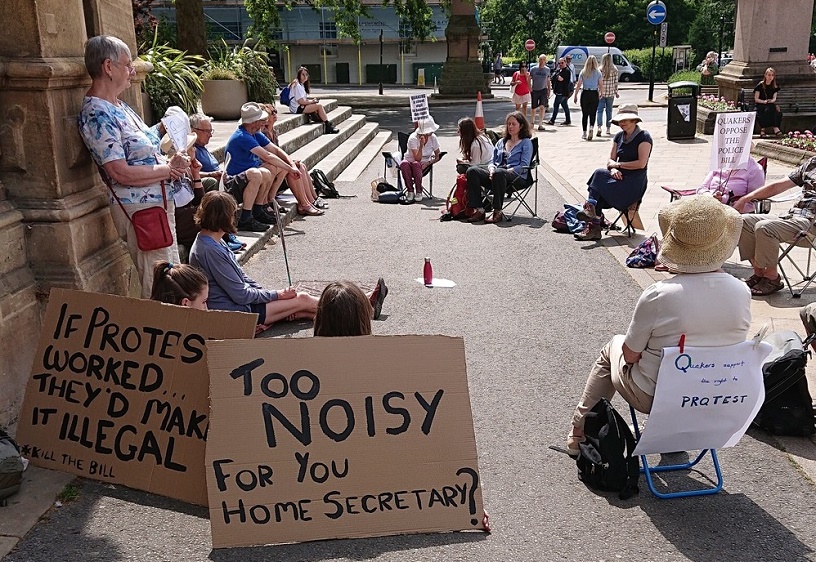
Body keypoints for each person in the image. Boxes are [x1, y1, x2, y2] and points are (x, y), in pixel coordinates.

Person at [566, 195, 751, 456]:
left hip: (656, 395)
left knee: (613, 349)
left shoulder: (660, 294)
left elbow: (630, 355)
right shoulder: (741, 291)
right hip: (715, 395)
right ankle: (672, 433)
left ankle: (580, 430)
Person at [78, 35, 189, 299]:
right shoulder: (97, 113)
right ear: (108, 67)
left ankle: (176, 331)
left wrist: (164, 127)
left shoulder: (118, 105)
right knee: (160, 283)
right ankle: (166, 334)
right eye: (127, 64)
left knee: (170, 275)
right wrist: (169, 169)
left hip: (155, 205)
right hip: (141, 210)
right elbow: (119, 171)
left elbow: (140, 145)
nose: (132, 71)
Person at [189, 191, 319, 326]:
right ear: (225, 217)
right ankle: (341, 307)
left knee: (304, 311)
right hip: (235, 310)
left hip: (240, 304)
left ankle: (335, 317)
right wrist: (277, 295)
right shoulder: (210, 250)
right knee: (303, 299)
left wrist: (266, 295)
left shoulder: (212, 240)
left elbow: (241, 276)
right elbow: (241, 295)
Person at [733, 155, 816, 296]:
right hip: (793, 217)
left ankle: (772, 278)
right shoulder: (813, 163)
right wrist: (745, 199)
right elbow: (778, 186)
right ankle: (759, 274)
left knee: (765, 227)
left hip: (811, 224)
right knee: (743, 221)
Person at [575, 104, 653, 241]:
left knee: (599, 175)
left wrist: (618, 164)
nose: (621, 124)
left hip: (633, 184)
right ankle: (593, 223)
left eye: (625, 120)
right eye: (620, 121)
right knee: (598, 186)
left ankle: (591, 214)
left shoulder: (644, 137)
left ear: (634, 121)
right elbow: (610, 160)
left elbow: (641, 164)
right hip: (617, 179)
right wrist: (614, 168)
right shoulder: (618, 136)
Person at [224, 102, 294, 231]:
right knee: (256, 173)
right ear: (253, 122)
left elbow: (276, 150)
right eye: (260, 120)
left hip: (246, 177)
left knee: (268, 171)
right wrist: (291, 169)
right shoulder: (242, 136)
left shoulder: (255, 134)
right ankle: (245, 218)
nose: (263, 123)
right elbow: (267, 156)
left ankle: (259, 209)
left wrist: (291, 164)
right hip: (233, 182)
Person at [257, 103, 326, 216]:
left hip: (274, 170)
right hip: (270, 171)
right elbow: (267, 156)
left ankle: (312, 199)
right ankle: (303, 204)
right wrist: (290, 165)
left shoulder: (272, 132)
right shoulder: (262, 134)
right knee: (291, 169)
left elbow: (278, 152)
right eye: (271, 113)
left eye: (275, 112)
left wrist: (291, 163)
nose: (275, 114)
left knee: (300, 166)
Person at [465, 111, 533, 224]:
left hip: (516, 177)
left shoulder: (526, 143)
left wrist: (507, 171)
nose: (510, 126)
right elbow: (493, 160)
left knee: (500, 172)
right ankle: (479, 209)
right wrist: (491, 169)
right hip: (496, 175)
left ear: (521, 126)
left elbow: (524, 165)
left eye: (513, 124)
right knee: (472, 171)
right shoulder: (501, 142)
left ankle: (497, 211)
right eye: (508, 124)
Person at [697, 158, 766, 213]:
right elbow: (702, 188)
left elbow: (752, 202)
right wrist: (711, 197)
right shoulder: (719, 164)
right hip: (708, 207)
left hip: (734, 214)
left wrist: (724, 199)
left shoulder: (755, 169)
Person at [399, 117, 441, 203]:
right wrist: (421, 145)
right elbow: (417, 158)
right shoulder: (413, 138)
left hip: (423, 164)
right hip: (410, 161)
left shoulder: (433, 138)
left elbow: (438, 156)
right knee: (404, 164)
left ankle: (419, 190)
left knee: (416, 165)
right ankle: (410, 190)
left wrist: (429, 163)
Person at [288, 66, 339, 134]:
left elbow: (302, 99)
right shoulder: (297, 85)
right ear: (299, 75)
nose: (305, 76)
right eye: (303, 74)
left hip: (299, 106)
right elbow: (300, 101)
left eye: (306, 74)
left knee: (316, 106)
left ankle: (324, 122)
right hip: (296, 108)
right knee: (319, 106)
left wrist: (311, 102)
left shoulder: (301, 85)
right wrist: (311, 102)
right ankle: (328, 126)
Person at [189, 113, 222, 191]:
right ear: (194, 130)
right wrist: (211, 175)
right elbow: (188, 174)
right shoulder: (191, 150)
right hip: (210, 186)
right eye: (207, 131)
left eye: (211, 131)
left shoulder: (203, 147)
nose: (210, 135)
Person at [573, 55, 602, 141]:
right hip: (594, 93)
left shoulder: (583, 72)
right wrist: (601, 93)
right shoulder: (598, 72)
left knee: (584, 114)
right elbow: (601, 84)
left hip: (585, 93)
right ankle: (591, 127)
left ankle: (584, 133)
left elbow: (579, 84)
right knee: (593, 113)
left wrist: (575, 95)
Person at [754, 67, 783, 138]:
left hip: (769, 104)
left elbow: (774, 98)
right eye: (769, 75)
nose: (770, 77)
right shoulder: (760, 85)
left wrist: (770, 101)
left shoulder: (775, 86)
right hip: (760, 104)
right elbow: (756, 99)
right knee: (767, 110)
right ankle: (764, 129)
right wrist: (763, 101)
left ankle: (775, 128)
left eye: (772, 75)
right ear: (765, 75)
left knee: (776, 111)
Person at [596, 53, 619, 138]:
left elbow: (598, 82)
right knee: (609, 111)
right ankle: (608, 128)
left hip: (601, 93)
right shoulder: (615, 69)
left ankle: (599, 127)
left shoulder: (600, 69)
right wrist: (616, 91)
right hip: (610, 93)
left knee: (599, 111)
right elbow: (616, 83)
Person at [530, 54, 552, 131]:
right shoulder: (533, 69)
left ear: (545, 61)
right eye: (540, 59)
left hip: (543, 90)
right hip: (535, 90)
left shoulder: (547, 69)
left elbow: (548, 80)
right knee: (534, 108)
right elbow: (529, 78)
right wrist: (530, 88)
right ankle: (532, 122)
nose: (541, 61)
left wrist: (549, 89)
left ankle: (540, 124)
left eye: (543, 60)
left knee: (542, 107)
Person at [547, 58, 572, 126]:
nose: (560, 64)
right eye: (559, 63)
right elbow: (553, 77)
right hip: (559, 91)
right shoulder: (559, 70)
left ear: (565, 63)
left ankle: (552, 120)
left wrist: (557, 77)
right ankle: (568, 120)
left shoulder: (567, 71)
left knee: (556, 105)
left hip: (563, 92)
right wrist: (557, 76)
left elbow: (561, 79)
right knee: (564, 106)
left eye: (562, 63)